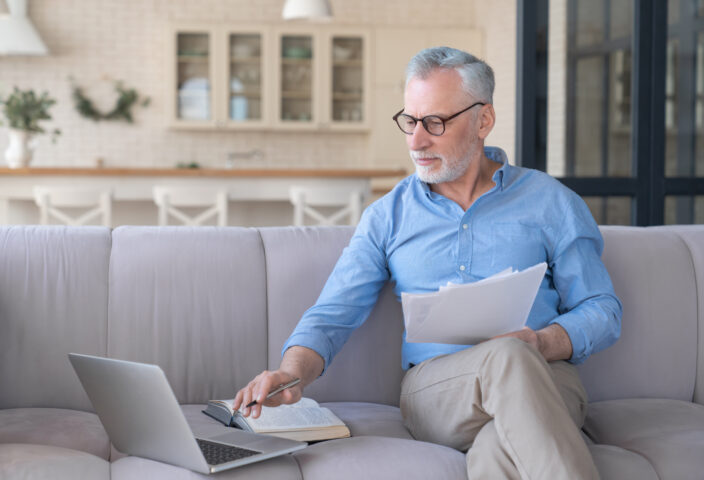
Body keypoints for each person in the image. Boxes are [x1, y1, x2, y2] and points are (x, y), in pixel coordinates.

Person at [233, 46, 622, 479]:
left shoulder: (551, 202)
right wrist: (291, 375)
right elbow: (332, 314)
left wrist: (541, 343)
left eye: (435, 122)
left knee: (497, 448)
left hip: (547, 379)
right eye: (410, 121)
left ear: (484, 120)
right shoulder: (388, 215)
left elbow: (603, 310)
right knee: (506, 357)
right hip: (437, 392)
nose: (417, 140)